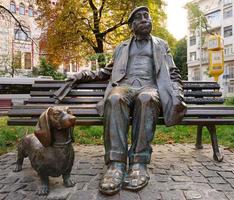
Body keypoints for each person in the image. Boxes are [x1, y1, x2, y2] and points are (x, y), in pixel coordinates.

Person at [68, 6, 187, 195]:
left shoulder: (161, 45)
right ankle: (116, 164)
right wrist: (82, 74)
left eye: (146, 16)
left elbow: (173, 73)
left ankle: (139, 163)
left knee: (147, 99)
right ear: (132, 26)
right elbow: (106, 72)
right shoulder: (121, 47)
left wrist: (178, 93)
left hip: (150, 87)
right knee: (114, 99)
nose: (143, 20)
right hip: (125, 86)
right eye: (138, 18)